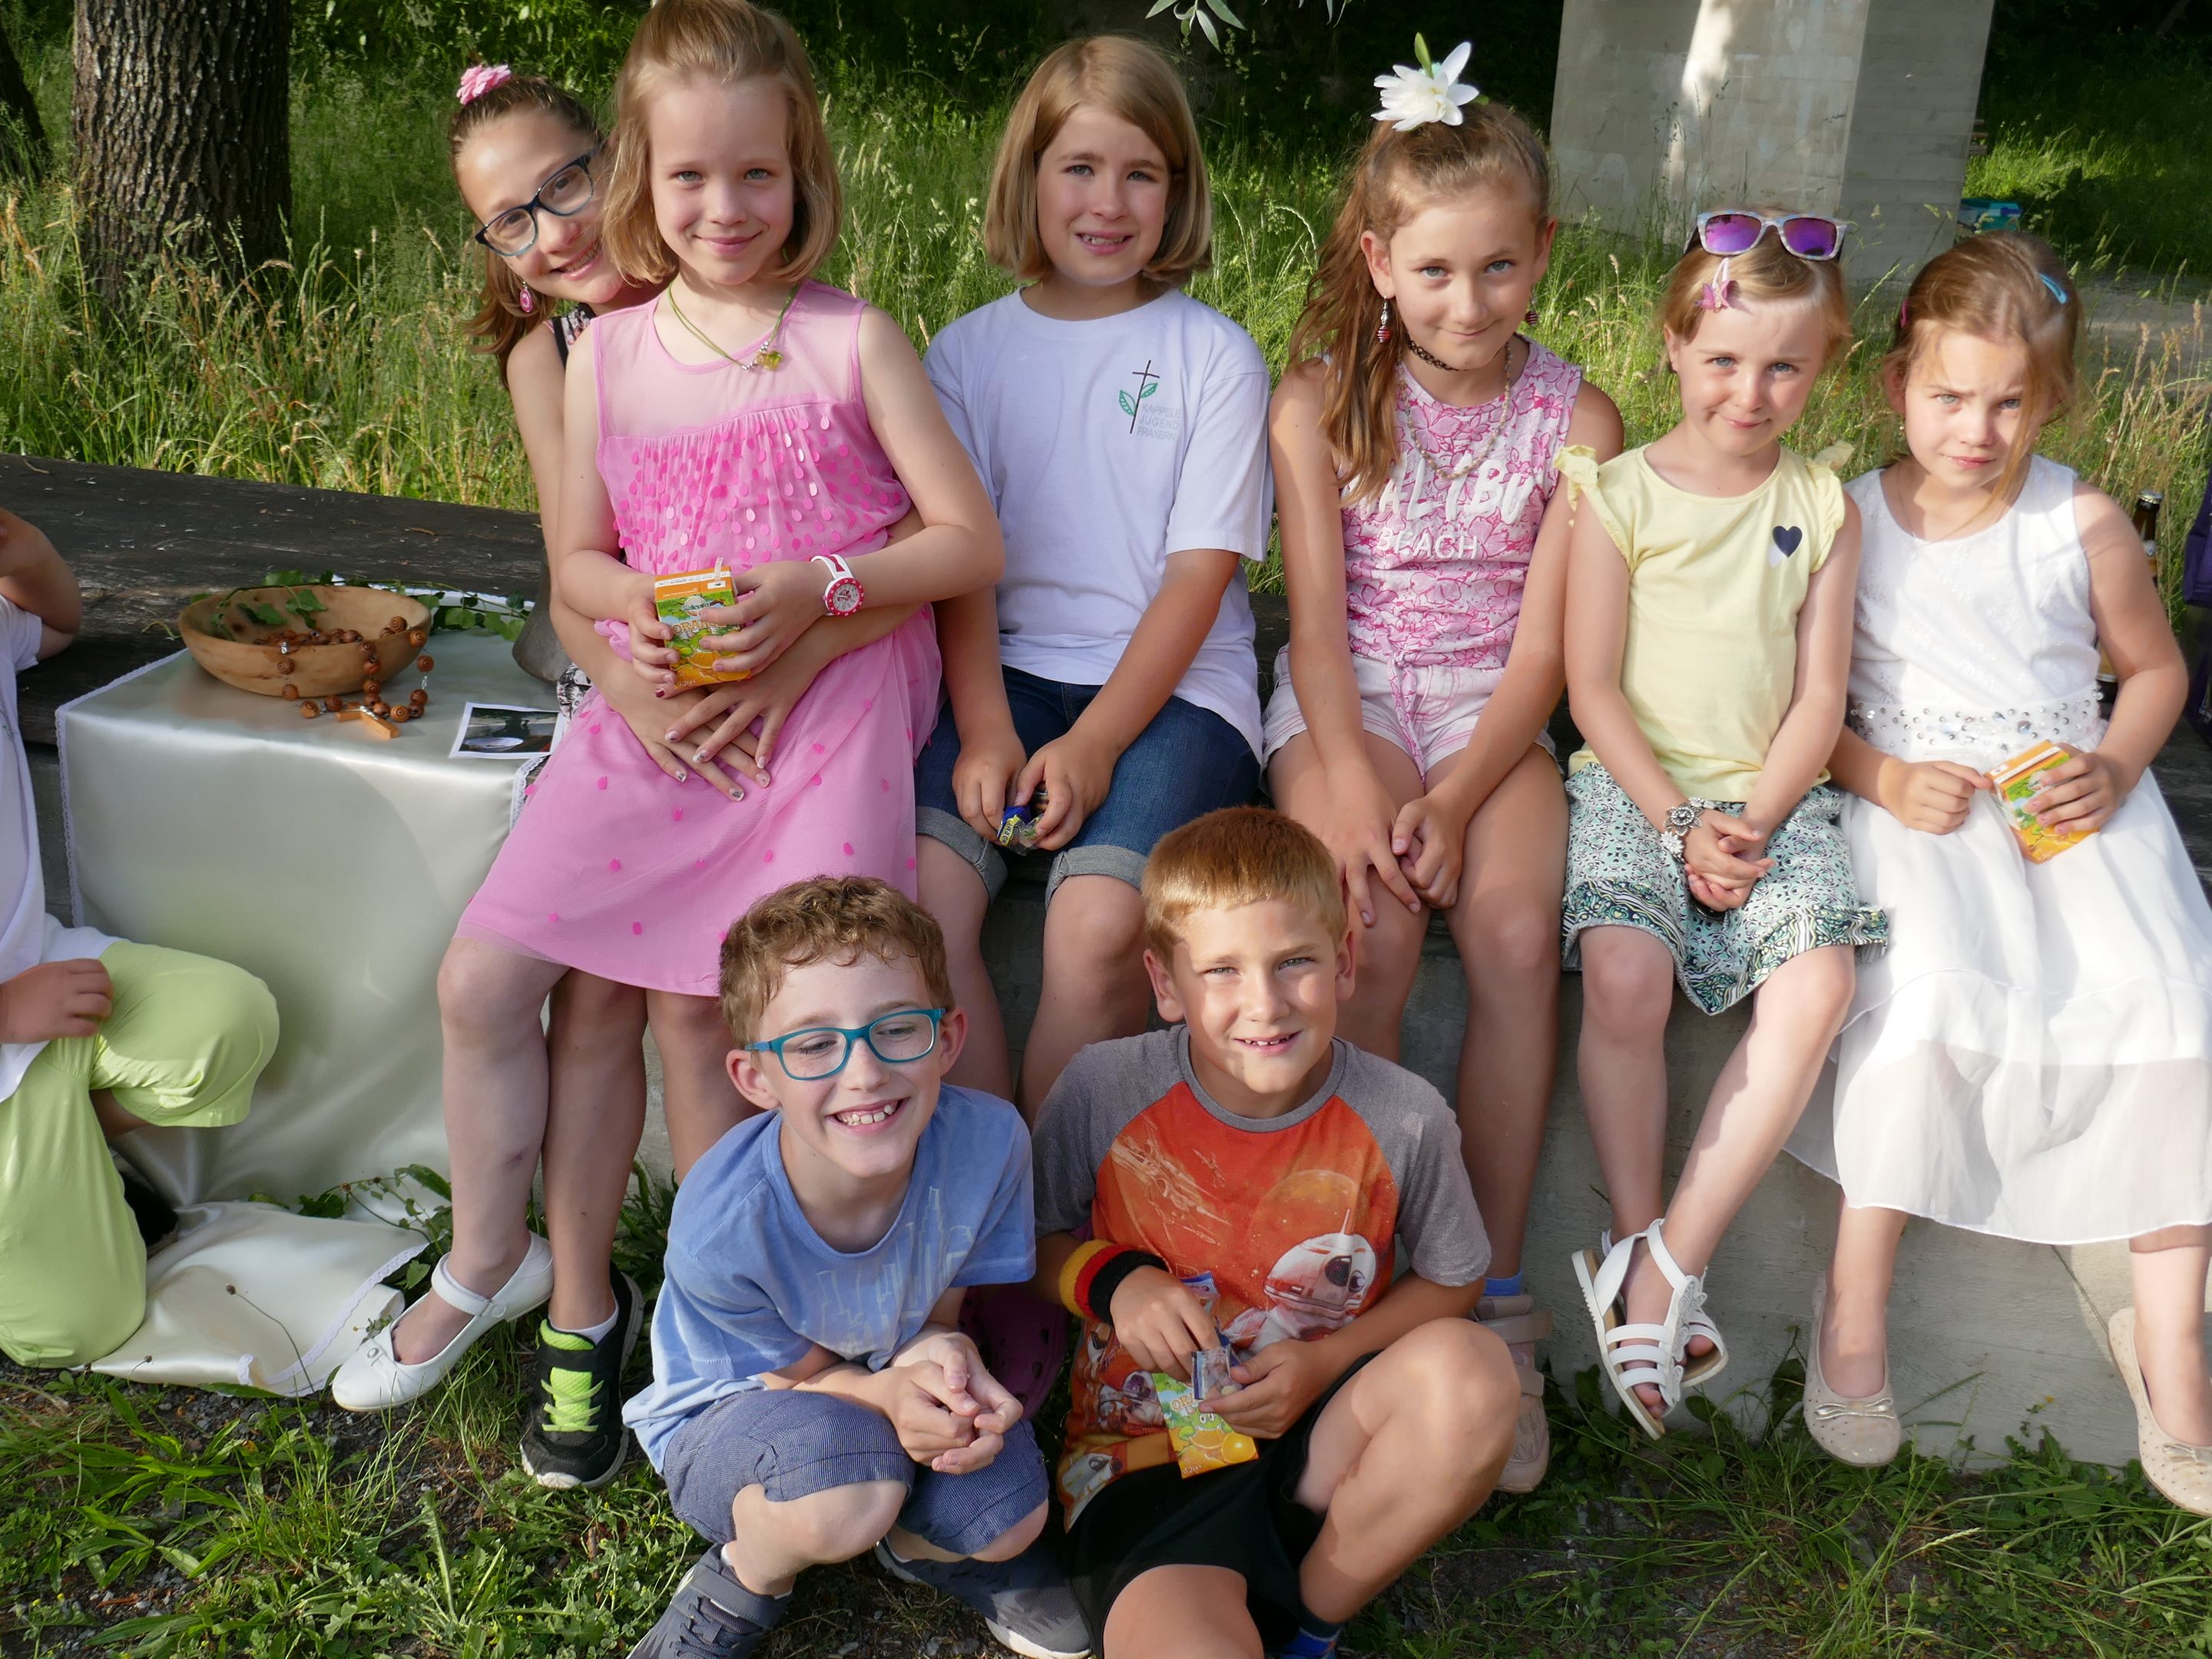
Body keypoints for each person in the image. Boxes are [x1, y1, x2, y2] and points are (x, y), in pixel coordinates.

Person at [333, 0, 1002, 1466]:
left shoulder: (854, 339)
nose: (723, 208)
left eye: (753, 177)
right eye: (689, 180)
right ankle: (493, 1262)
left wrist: (819, 597)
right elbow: (576, 563)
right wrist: (634, 678)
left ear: (802, 171)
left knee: (732, 1013)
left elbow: (963, 542)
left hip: (819, 724)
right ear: (651, 170)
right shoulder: (601, 356)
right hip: (655, 716)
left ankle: (733, 1344)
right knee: (485, 974)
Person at [1789, 233, 2212, 1508]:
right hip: (1921, 805)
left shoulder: (2076, 519)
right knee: (1931, 1004)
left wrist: (2121, 767)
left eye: (2009, 402)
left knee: (2171, 994)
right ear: (1896, 385)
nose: (1976, 429)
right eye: (1948, 397)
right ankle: (1852, 1306)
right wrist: (1875, 777)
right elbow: (1808, 712)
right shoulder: (1851, 519)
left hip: (2069, 801)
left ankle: (2171, 1337)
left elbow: (2155, 673)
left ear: (2053, 397)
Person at [1262, 40, 1624, 1492]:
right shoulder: (1318, 402)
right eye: (1433, 272)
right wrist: (1355, 785)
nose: (1466, 304)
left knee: (1521, 935)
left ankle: (1484, 1283)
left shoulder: (1577, 419)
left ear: (1540, 256)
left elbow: (1545, 654)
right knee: (1372, 927)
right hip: (1347, 703)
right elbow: (1314, 622)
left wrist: (1462, 792)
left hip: (1494, 713)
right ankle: (1349, 1267)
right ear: (1377, 259)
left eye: (1497, 269)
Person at [1031, 806, 1517, 1659]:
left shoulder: (1404, 1119)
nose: (1264, 1003)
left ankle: (1307, 1623)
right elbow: (1022, 1242)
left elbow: (1454, 1280)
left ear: (1345, 963)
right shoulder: (1105, 1088)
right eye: (1221, 970)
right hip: (1151, 1466)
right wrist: (1115, 1281)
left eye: (1294, 962)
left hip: (1320, 1453)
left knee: (1474, 1372)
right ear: (1166, 984)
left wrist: (1327, 1361)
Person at [1557, 210, 1885, 1437]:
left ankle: (1662, 1269)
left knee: (1817, 989)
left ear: (1826, 367)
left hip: (1774, 796)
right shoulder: (1620, 492)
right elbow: (1589, 686)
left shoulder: (1822, 504)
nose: (1751, 391)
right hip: (1634, 787)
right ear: (1675, 348)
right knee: (1626, 978)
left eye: (1785, 366)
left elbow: (1818, 697)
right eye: (1725, 359)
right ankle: (1635, 1227)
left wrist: (1748, 818)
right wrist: (1680, 820)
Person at [917, 35, 1270, 1119]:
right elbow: (961, 572)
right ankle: (976, 1213)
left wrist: (1099, 742)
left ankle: (1042, 1228)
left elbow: (1197, 579)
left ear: (1178, 191)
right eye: (1079, 168)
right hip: (1005, 676)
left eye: (1140, 174)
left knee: (1095, 928)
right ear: (1030, 177)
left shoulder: (1215, 355)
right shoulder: (964, 356)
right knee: (923, 914)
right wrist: (983, 729)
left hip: (1175, 697)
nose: (1107, 202)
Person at [621, 876, 1086, 1659]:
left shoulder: (991, 1144)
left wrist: (948, 1362)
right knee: (848, 1486)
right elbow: (787, 1373)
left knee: (1011, 1517)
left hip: (878, 1371)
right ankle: (744, 1579)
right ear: (754, 1079)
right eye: (812, 1045)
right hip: (735, 1412)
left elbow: (941, 1312)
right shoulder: (722, 1221)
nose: (864, 1074)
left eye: (896, 1029)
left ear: (947, 1038)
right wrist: (885, 1397)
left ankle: (915, 1545)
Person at [0, 507, 279, 1369]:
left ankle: (73, 1147)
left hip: (38, 988)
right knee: (71, 1330)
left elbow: (52, 626)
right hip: (13, 1017)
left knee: (227, 1020)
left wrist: (28, 552)